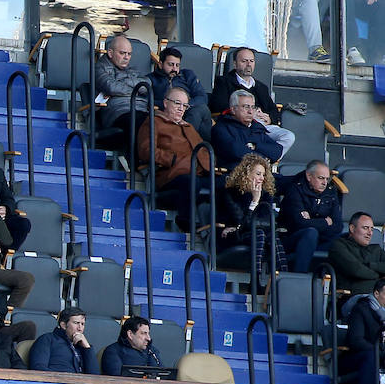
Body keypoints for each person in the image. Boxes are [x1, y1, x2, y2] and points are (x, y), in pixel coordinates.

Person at [137, 85, 211, 223]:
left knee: (228, 183)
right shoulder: (155, 122)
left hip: (197, 174)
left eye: (185, 105)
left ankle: (225, 231)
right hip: (170, 175)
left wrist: (206, 166)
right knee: (190, 181)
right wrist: (173, 160)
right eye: (177, 103)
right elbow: (146, 150)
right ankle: (185, 220)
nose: (181, 108)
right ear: (166, 103)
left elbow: (204, 152)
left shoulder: (188, 127)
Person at [209, 48, 295, 156]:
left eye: (251, 61)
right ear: (235, 64)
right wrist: (247, 112)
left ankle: (264, 161)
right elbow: (218, 106)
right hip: (238, 126)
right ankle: (256, 160)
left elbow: (273, 110)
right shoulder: (223, 82)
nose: (248, 64)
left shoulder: (261, 87)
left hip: (262, 126)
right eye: (244, 61)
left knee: (288, 136)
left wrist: (269, 118)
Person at [219, 153, 285, 281]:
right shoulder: (231, 193)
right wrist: (254, 201)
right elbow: (241, 223)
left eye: (263, 175)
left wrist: (257, 202)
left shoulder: (266, 195)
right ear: (246, 174)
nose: (261, 178)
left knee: (272, 237)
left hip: (256, 234)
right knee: (259, 233)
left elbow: (268, 223)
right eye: (258, 174)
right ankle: (255, 281)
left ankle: (283, 279)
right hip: (234, 236)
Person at [280, 161, 343, 273]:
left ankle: (328, 282)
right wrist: (325, 222)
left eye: (327, 179)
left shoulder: (330, 191)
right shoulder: (295, 190)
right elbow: (299, 223)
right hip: (291, 239)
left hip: (321, 239)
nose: (325, 182)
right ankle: (299, 278)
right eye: (321, 178)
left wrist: (311, 221)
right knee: (310, 233)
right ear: (309, 176)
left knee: (346, 239)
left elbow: (338, 225)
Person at [95, 35, 150, 141]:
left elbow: (147, 85)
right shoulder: (100, 68)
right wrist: (135, 91)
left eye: (129, 54)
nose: (126, 57)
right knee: (141, 125)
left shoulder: (131, 69)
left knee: (159, 125)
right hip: (117, 112)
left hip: (141, 110)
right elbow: (111, 87)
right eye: (122, 53)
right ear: (110, 53)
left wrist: (122, 82)